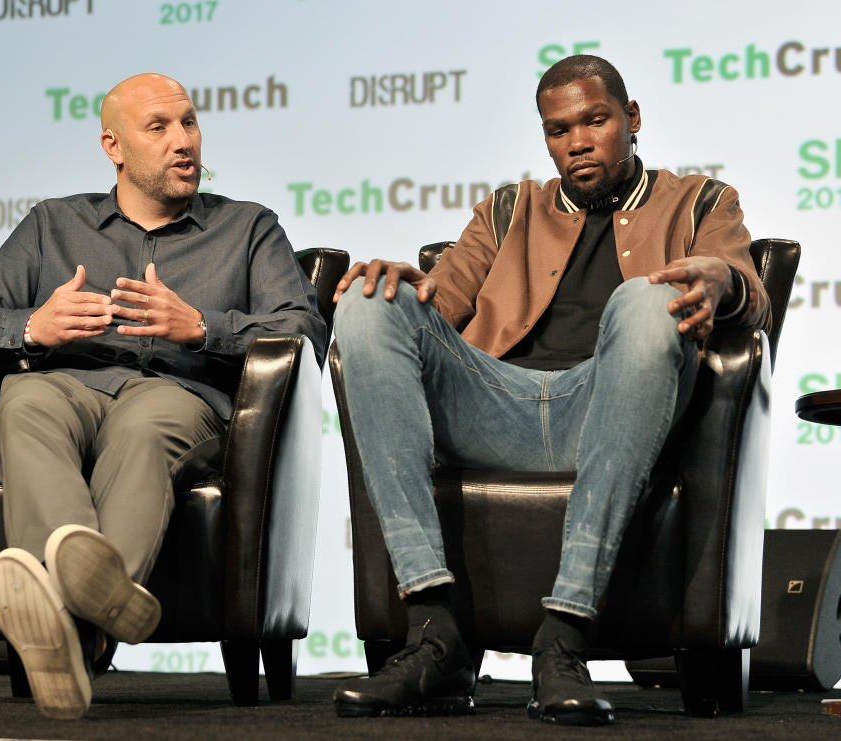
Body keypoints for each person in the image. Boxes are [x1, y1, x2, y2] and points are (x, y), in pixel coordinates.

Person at [330, 55, 770, 724]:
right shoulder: (507, 209)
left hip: (609, 404)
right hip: (494, 406)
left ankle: (563, 636)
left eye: (595, 120)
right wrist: (400, 290)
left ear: (631, 119)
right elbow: (440, 302)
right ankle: (430, 627)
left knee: (647, 300)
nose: (577, 141)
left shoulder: (701, 200)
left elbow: (750, 295)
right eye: (558, 129)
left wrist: (722, 280)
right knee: (366, 302)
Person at [0, 72, 326, 720]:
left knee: (144, 426)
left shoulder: (246, 228)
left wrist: (204, 326)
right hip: (64, 384)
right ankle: (91, 616)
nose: (184, 140)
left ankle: (67, 627)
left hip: (175, 392)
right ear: (113, 146)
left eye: (189, 122)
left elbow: (304, 327)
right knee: (23, 403)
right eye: (159, 127)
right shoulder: (52, 223)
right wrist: (35, 325)